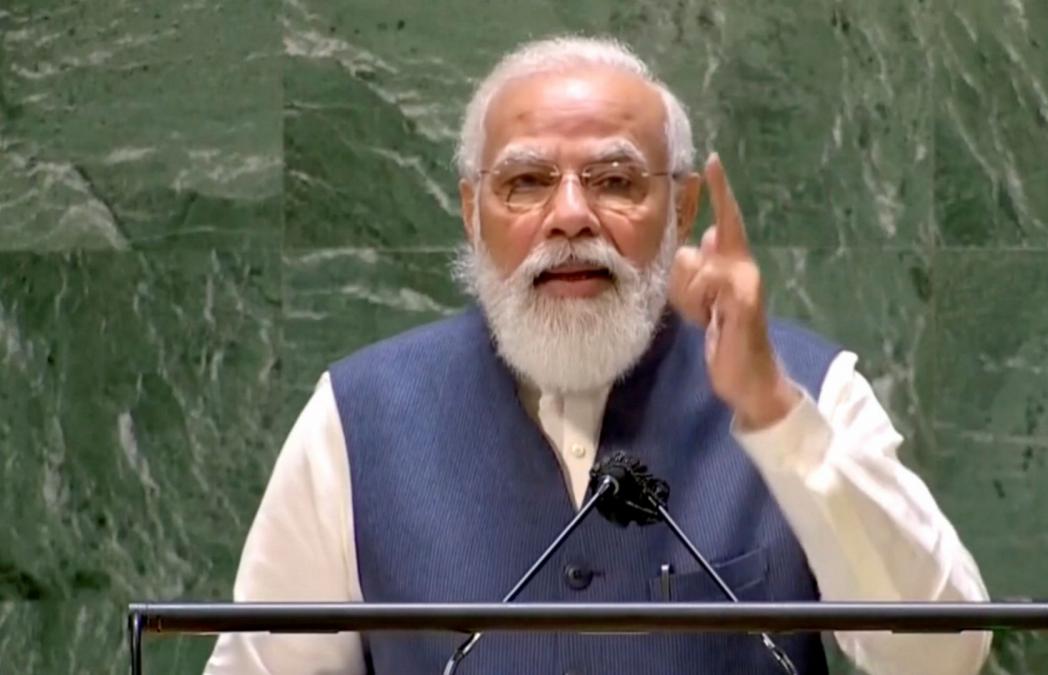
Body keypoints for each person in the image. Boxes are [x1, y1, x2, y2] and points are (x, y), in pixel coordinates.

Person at [204, 36, 991, 675]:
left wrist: (776, 416)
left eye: (615, 180)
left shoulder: (811, 392)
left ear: (680, 209)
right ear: (473, 214)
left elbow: (943, 651)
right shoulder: (356, 419)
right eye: (526, 183)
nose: (571, 215)